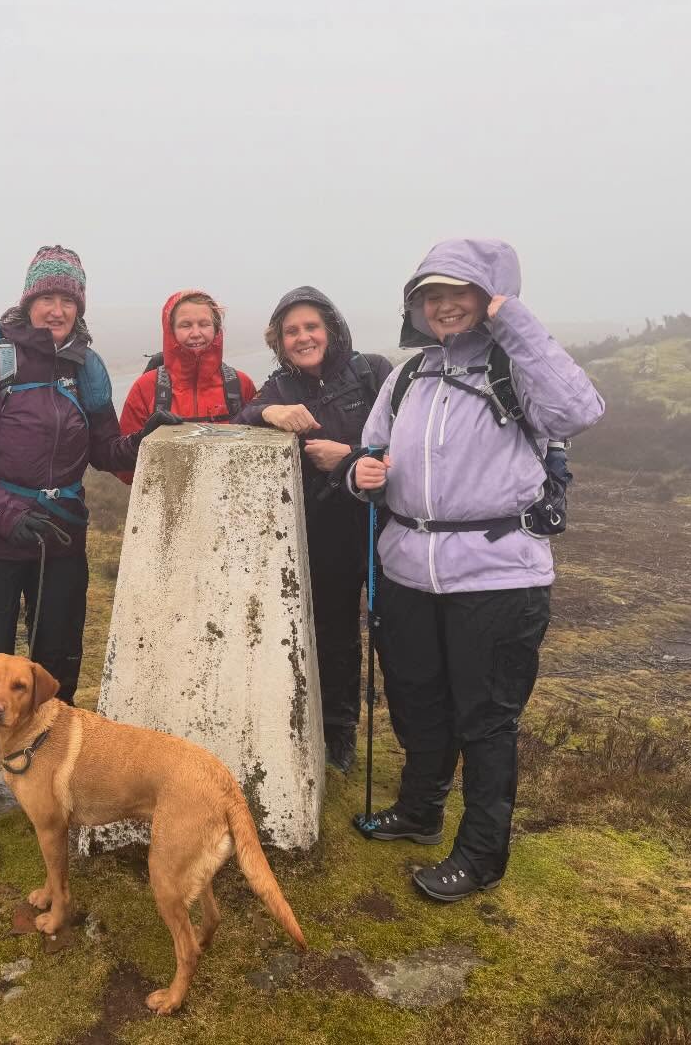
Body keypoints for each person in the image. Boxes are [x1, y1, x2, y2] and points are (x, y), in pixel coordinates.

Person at [349, 238, 604, 902]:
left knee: (486, 721)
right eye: (430, 294)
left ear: (489, 295)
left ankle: (482, 855)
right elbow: (369, 450)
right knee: (417, 702)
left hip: (498, 576)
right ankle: (420, 812)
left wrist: (511, 320)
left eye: (457, 291)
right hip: (407, 570)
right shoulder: (408, 376)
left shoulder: (512, 367)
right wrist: (360, 473)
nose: (442, 305)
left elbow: (579, 411)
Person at [0, 245, 180, 803]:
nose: (56, 310)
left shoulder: (87, 367)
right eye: (46, 298)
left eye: (66, 300)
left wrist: (140, 440)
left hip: (63, 530)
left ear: (78, 306)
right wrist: (5, 512)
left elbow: (102, 448)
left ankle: (49, 759)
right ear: (29, 302)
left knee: (57, 652)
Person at [234, 287, 392, 774]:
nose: (303, 337)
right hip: (325, 534)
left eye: (311, 327)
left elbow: (411, 443)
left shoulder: (375, 373)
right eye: (291, 331)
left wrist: (346, 455)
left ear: (332, 327)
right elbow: (242, 415)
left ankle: (423, 749)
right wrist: (268, 412)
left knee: (401, 636)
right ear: (279, 342)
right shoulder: (281, 388)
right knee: (334, 636)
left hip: (386, 526)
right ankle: (338, 736)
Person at [114, 290, 258, 481]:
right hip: (169, 507)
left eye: (204, 324)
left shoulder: (241, 385)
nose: (196, 333)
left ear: (216, 329)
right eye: (185, 325)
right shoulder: (146, 388)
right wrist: (141, 441)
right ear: (170, 331)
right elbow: (124, 471)